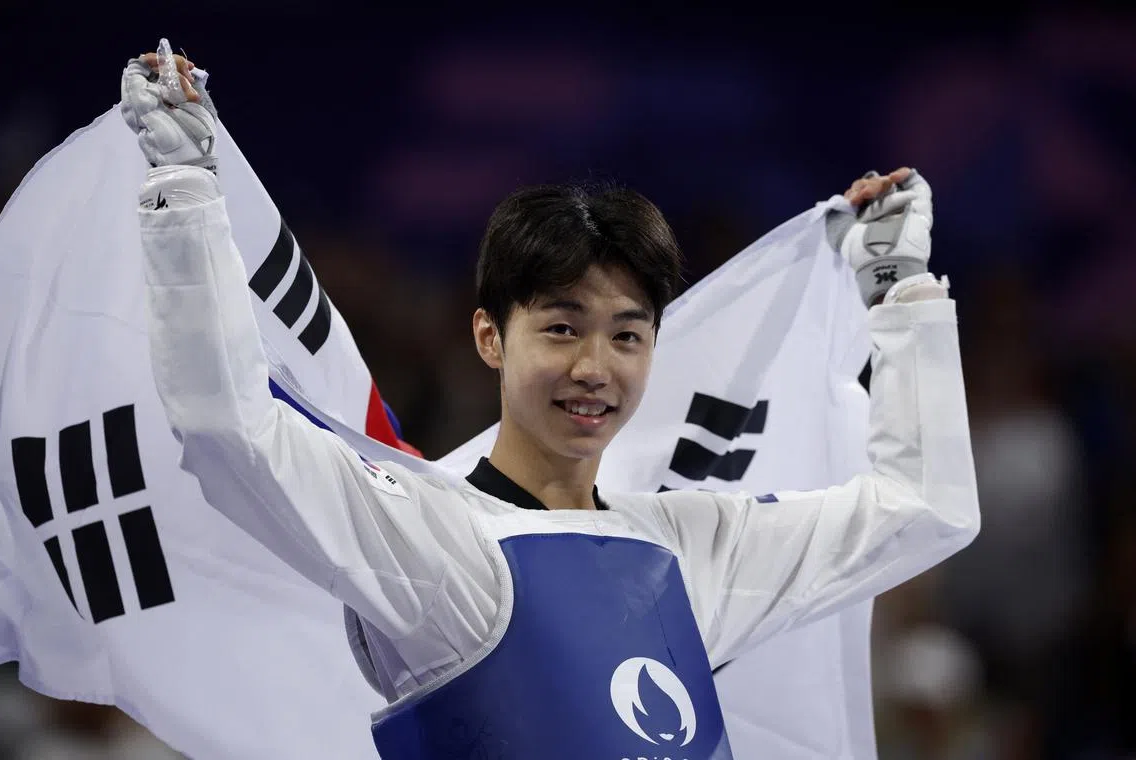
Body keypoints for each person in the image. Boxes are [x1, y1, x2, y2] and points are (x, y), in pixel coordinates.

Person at [122, 47, 979, 759]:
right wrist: (186, 189)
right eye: (562, 329)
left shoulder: (695, 549)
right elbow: (227, 427)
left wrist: (901, 296)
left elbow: (924, 509)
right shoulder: (437, 538)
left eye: (626, 336)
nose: (595, 368)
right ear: (492, 338)